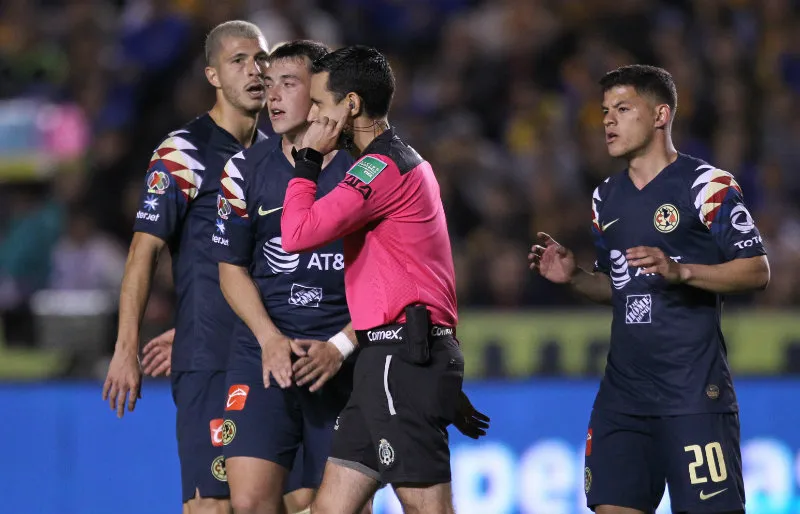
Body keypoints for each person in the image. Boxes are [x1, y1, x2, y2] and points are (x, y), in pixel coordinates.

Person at [529, 64, 770, 514]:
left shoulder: (707, 186)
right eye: (605, 111)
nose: (608, 121)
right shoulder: (605, 198)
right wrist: (576, 277)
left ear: (661, 115)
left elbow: (756, 270)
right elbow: (623, 288)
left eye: (622, 109)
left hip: (693, 396)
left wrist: (682, 272)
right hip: (623, 397)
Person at [279, 45, 489, 514]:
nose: (311, 116)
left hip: (401, 359)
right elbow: (418, 277)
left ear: (351, 104)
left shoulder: (382, 168)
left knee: (428, 509)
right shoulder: (399, 162)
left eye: (320, 104)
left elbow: (296, 234)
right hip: (394, 358)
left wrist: (307, 160)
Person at [101, 20, 269, 514]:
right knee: (212, 504)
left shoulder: (277, 155)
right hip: (210, 358)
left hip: (266, 355)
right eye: (238, 61)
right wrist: (126, 348)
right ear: (212, 75)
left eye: (261, 60)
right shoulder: (183, 151)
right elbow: (143, 253)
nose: (254, 71)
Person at [211, 39, 366, 514]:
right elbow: (231, 268)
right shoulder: (243, 169)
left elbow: (391, 284)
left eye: (288, 83)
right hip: (263, 353)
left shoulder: (367, 171)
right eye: (268, 83)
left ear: (320, 92)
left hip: (342, 361)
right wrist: (269, 338)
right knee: (250, 501)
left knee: (339, 507)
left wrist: (341, 345)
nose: (271, 94)